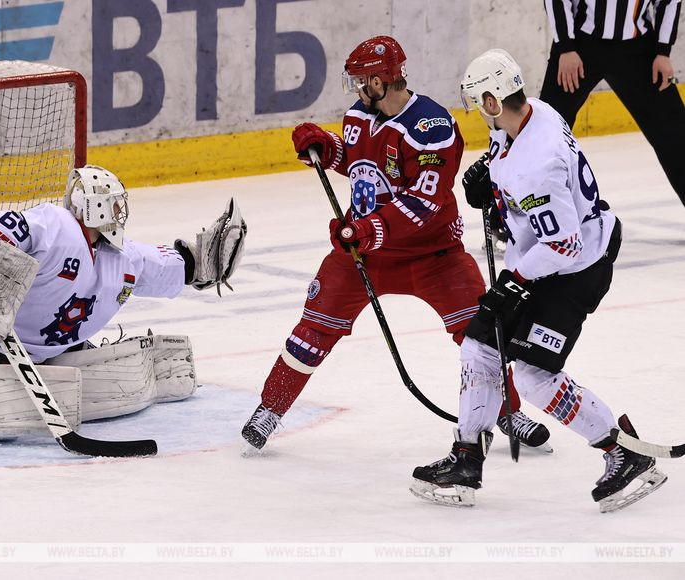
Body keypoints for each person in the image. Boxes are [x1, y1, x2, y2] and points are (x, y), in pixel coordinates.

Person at [240, 36, 550, 453]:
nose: (356, 89)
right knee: (312, 332)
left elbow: (423, 201)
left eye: (361, 81)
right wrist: (326, 149)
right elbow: (361, 165)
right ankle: (270, 408)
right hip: (362, 252)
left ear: (380, 81)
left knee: (481, 334)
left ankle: (507, 411)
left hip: (433, 256)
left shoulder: (432, 128)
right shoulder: (358, 115)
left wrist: (367, 229)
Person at [411, 49, 668, 512]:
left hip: (576, 269)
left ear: (493, 101)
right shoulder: (535, 112)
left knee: (533, 378)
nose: (478, 114)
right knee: (479, 346)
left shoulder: (537, 164)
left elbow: (564, 243)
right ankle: (467, 458)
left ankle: (625, 453)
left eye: (478, 105)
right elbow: (513, 160)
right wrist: (492, 185)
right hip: (545, 259)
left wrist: (514, 280)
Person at [0, 165, 247, 367]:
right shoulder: (56, 225)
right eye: (114, 203)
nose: (119, 211)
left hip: (48, 352)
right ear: (96, 205)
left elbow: (157, 266)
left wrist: (200, 264)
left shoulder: (120, 256)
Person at [541, 0, 685, 207]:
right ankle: (515, 211)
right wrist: (566, 47)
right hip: (580, 46)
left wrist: (663, 52)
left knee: (675, 132)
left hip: (638, 50)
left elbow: (669, 2)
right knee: (545, 128)